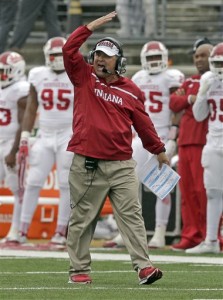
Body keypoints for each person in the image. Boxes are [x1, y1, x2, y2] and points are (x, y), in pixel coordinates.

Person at [62, 11, 169, 285]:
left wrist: (158, 150)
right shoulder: (84, 77)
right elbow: (68, 48)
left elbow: (143, 124)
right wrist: (88, 28)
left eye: (106, 55)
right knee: (83, 218)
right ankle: (79, 270)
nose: (99, 58)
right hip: (88, 162)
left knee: (132, 215)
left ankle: (144, 267)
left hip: (122, 163)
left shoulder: (132, 90)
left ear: (118, 61)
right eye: (97, 54)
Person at [103, 41, 185, 249]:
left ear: (165, 58)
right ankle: (126, 232)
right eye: (150, 58)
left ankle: (159, 232)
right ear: (143, 60)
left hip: (164, 133)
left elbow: (177, 109)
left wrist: (173, 138)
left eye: (158, 57)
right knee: (128, 184)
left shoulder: (172, 77)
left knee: (161, 187)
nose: (154, 62)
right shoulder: (138, 77)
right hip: (140, 136)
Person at [17, 36, 74, 247]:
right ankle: (21, 231)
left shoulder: (76, 73)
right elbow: (32, 106)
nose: (58, 59)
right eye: (54, 55)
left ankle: (60, 232)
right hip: (44, 133)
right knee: (32, 181)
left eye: (61, 54)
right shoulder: (37, 74)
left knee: (65, 184)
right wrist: (25, 136)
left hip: (68, 134)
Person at [169, 43, 214, 251]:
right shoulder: (189, 81)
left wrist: (185, 99)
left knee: (204, 192)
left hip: (204, 142)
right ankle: (190, 233)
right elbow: (173, 103)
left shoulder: (214, 80)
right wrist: (188, 98)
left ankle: (209, 234)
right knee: (187, 193)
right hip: (185, 142)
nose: (198, 60)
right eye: (196, 56)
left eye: (203, 56)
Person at [186, 43, 223, 254]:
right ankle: (211, 240)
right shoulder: (208, 80)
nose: (219, 67)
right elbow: (199, 115)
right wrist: (202, 92)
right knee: (212, 193)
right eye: (216, 63)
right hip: (213, 142)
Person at [0, 51, 29, 242]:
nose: (2, 75)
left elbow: (23, 122)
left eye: (6, 71)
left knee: (18, 189)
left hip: (11, 143)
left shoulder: (21, 88)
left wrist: (14, 150)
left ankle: (16, 231)